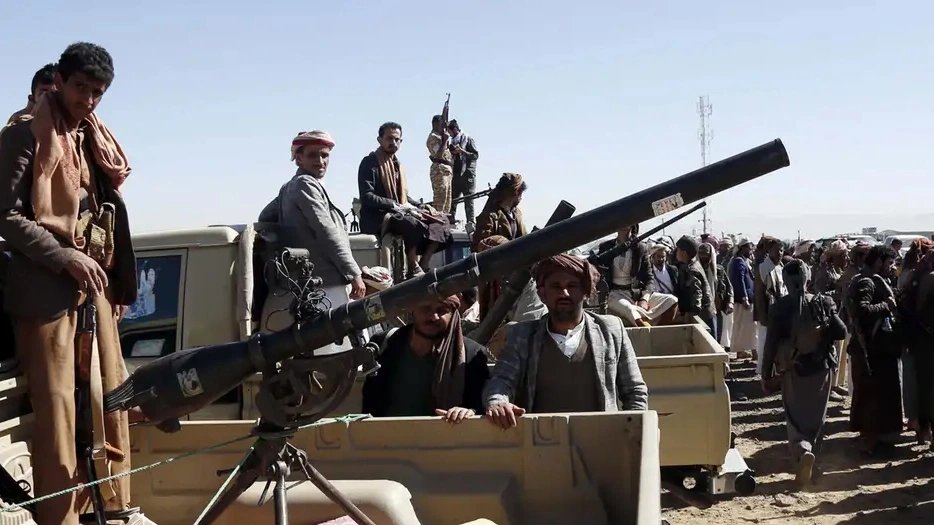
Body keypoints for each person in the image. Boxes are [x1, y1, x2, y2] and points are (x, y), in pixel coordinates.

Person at [0, 43, 156, 525]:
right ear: (60, 82)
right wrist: (64, 256)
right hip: (46, 294)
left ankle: (113, 509)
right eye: (81, 88)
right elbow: (6, 216)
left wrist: (115, 282)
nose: (88, 100)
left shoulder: (90, 138)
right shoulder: (23, 135)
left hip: (95, 290)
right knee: (59, 416)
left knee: (111, 403)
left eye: (97, 92)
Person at [483, 254, 648, 429]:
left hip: (601, 439)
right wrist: (498, 402)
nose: (564, 293)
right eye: (556, 287)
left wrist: (633, 432)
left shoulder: (611, 330)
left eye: (572, 286)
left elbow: (634, 391)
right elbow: (502, 381)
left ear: (586, 292)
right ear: (542, 293)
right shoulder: (522, 336)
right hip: (541, 440)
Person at [258, 131, 365, 340]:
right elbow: (326, 231)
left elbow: (265, 216)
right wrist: (354, 273)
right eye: (313, 155)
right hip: (325, 285)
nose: (320, 161)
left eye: (325, 155)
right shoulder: (305, 184)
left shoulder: (290, 187)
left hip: (309, 286)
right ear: (299, 158)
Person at [761, 259, 847, 486]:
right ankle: (813, 458)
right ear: (808, 279)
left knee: (794, 417)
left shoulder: (779, 307)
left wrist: (765, 374)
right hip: (821, 369)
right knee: (817, 417)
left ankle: (801, 451)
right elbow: (841, 331)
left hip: (794, 370)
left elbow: (770, 345)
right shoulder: (824, 301)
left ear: (786, 281)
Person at [361, 294, 490, 424]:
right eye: (425, 308)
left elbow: (479, 406)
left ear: (453, 314)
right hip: (386, 434)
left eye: (442, 310)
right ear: (413, 310)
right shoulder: (385, 344)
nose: (433, 317)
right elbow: (369, 405)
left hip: (444, 434)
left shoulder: (472, 355)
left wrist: (468, 412)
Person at [358, 122, 452, 278]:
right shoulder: (370, 162)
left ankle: (424, 263)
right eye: (389, 138)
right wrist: (394, 205)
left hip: (400, 212)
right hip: (378, 217)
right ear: (380, 140)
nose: (393, 142)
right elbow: (367, 196)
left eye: (397, 139)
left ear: (401, 141)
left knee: (441, 221)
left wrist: (420, 206)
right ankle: (412, 266)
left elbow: (403, 196)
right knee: (411, 223)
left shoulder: (397, 165)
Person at [847, 245, 903, 456]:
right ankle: (871, 444)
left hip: (879, 350)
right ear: (878, 262)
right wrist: (887, 305)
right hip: (871, 351)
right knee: (872, 399)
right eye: (889, 263)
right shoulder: (867, 282)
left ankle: (877, 441)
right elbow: (862, 310)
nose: (892, 267)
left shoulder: (871, 280)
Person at [596, 224, 678, 327]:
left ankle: (657, 330)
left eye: (627, 221)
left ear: (632, 225)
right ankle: (648, 331)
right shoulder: (606, 247)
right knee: (629, 309)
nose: (623, 224)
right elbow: (598, 272)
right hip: (614, 294)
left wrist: (644, 299)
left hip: (636, 293)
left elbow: (649, 277)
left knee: (672, 301)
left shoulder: (640, 248)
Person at [472, 173, 528, 320]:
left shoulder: (516, 214)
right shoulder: (489, 216)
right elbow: (479, 245)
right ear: (515, 193)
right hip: (494, 274)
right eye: (520, 194)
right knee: (494, 312)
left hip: (514, 269)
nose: (521, 198)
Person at [673, 236, 714, 329]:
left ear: (684, 253)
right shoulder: (693, 264)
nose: (676, 253)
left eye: (678, 250)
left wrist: (693, 315)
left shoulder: (691, 270)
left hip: (702, 317)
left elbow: (697, 293)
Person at [447, 119, 479, 228]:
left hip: (467, 175)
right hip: (455, 175)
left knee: (468, 201)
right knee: (452, 200)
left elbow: (475, 156)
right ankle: (450, 222)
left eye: (450, 131)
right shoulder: (451, 142)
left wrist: (462, 151)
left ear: (455, 129)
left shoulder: (467, 139)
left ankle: (471, 224)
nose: (449, 134)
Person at [700, 242, 734, 345]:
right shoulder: (694, 270)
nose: (703, 256)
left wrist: (730, 302)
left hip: (716, 307)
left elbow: (728, 287)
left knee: (716, 336)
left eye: (706, 254)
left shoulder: (719, 270)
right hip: (700, 309)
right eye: (701, 253)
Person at [729, 239, 758, 359]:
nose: (751, 251)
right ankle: (752, 351)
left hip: (745, 300)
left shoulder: (742, 261)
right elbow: (739, 280)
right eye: (749, 249)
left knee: (744, 327)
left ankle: (741, 351)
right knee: (747, 327)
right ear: (743, 248)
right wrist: (744, 297)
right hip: (743, 301)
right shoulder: (738, 262)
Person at [426, 114, 454, 215]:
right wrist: (445, 140)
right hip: (439, 170)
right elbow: (438, 155)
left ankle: (444, 219)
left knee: (447, 202)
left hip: (446, 170)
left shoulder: (440, 137)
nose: (444, 127)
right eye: (442, 125)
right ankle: (438, 220)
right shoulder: (433, 137)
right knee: (440, 201)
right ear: (436, 124)